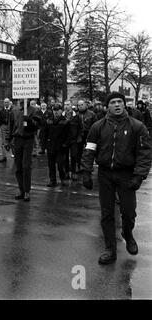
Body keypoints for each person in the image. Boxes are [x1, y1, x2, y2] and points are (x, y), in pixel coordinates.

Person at [81, 92, 152, 265]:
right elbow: (90, 149)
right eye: (113, 102)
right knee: (106, 214)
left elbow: (145, 152)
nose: (117, 105)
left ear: (124, 105)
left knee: (128, 212)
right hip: (105, 174)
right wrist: (86, 171)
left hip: (126, 175)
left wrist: (139, 175)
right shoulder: (98, 126)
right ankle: (110, 249)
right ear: (107, 106)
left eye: (120, 101)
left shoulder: (137, 126)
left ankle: (127, 233)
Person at [6, 99, 41, 201]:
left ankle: (27, 191)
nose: (21, 100)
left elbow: (38, 125)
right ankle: (21, 189)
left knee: (26, 165)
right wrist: (8, 139)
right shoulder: (15, 111)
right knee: (18, 166)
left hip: (28, 139)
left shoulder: (34, 111)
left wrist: (29, 121)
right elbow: (11, 125)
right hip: (17, 139)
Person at [44, 104, 70, 187]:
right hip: (51, 146)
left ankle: (63, 179)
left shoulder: (65, 121)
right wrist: (44, 144)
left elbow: (69, 135)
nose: (56, 111)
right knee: (51, 165)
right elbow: (44, 133)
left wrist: (65, 144)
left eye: (57, 110)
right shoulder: (49, 120)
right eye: (54, 110)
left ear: (61, 111)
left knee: (60, 165)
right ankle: (53, 180)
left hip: (61, 147)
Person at [63, 101, 82, 181]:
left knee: (74, 156)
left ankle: (74, 172)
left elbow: (80, 128)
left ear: (71, 106)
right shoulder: (62, 116)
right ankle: (66, 172)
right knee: (65, 157)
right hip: (64, 140)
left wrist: (79, 137)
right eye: (65, 105)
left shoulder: (76, 116)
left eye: (68, 105)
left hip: (74, 140)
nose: (66, 106)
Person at [76, 100, 96, 172]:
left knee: (89, 151)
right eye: (79, 105)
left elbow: (95, 125)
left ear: (85, 105)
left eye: (82, 105)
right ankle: (79, 166)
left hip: (89, 134)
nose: (80, 106)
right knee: (79, 151)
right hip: (79, 134)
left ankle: (89, 167)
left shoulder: (91, 114)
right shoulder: (76, 114)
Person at [0, 98, 13, 163]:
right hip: (3, 126)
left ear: (9, 103)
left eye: (7, 102)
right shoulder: (2, 110)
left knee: (12, 141)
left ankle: (15, 155)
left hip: (11, 126)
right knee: (2, 142)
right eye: (5, 102)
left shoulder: (12, 110)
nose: (6, 103)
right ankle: (4, 157)